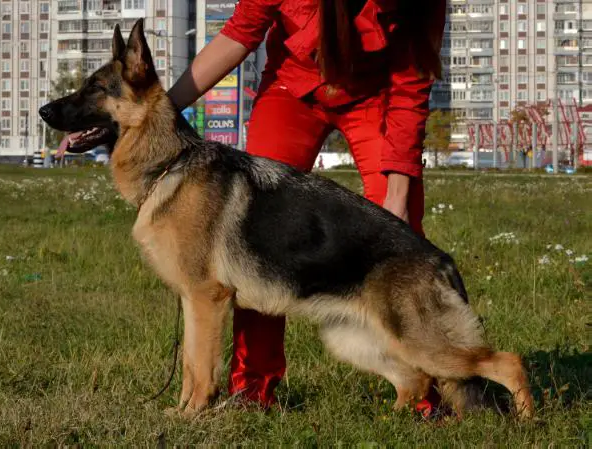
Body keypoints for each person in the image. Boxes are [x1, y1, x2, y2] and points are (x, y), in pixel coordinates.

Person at [167, 0, 447, 411]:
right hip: (291, 91)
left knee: (401, 240)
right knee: (255, 235)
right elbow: (240, 34)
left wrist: (399, 198)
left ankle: (431, 392)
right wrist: (165, 107)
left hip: (378, 95)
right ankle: (252, 390)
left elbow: (411, 86)